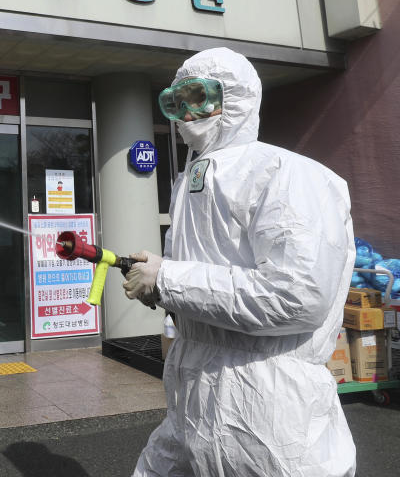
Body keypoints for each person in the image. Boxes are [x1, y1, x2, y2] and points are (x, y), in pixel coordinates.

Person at [122, 47, 356, 476]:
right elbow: (214, 273)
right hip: (193, 390)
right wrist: (162, 283)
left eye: (199, 97)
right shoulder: (190, 182)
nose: (187, 114)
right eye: (176, 102)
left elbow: (296, 297)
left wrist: (169, 279)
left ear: (239, 97)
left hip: (268, 403)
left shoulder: (288, 173)